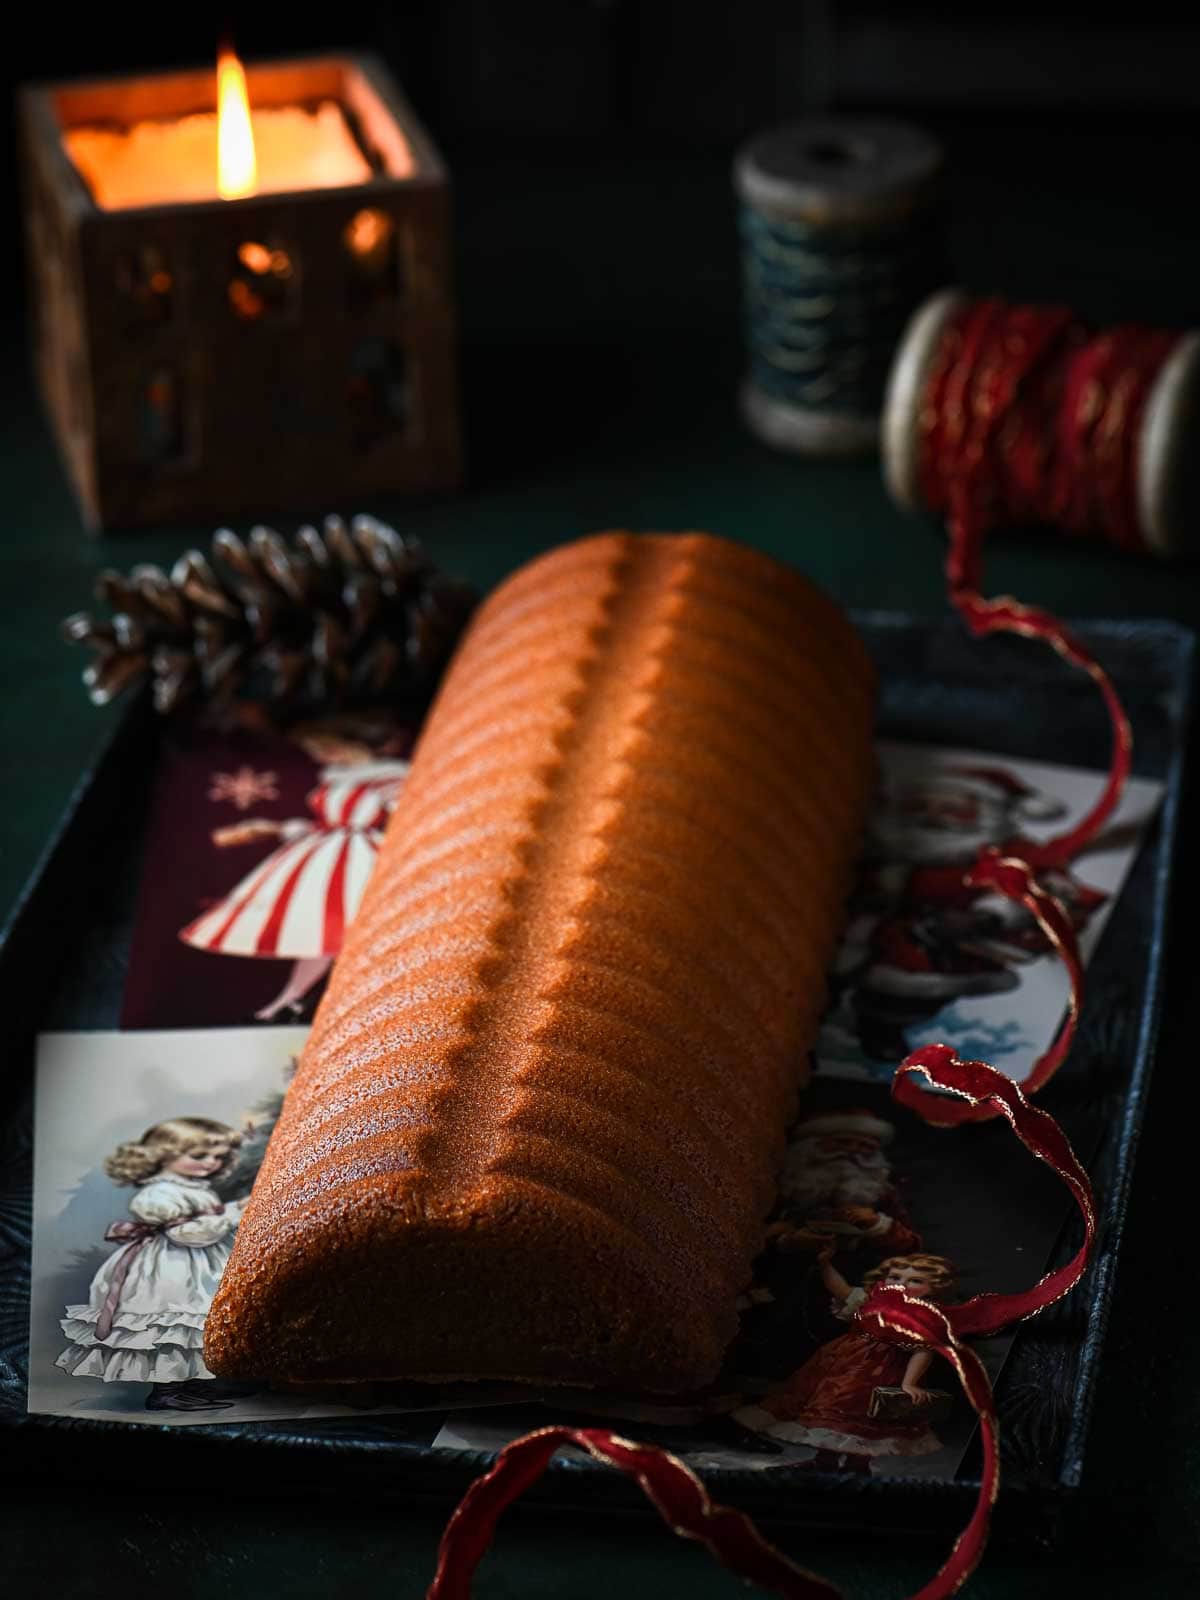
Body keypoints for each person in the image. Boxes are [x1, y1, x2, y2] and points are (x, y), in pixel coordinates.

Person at [180, 713, 411, 1021]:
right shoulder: (333, 778)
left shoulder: (393, 777)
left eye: (327, 748)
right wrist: (268, 829)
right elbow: (320, 823)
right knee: (319, 936)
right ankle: (295, 998)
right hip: (323, 855)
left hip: (365, 859)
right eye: (317, 751)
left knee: (359, 930)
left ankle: (358, 998)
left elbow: (405, 818)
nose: (324, 757)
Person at [57, 1116, 250, 1412]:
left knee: (197, 1325)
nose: (210, 1163)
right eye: (199, 1156)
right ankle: (166, 1390)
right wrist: (230, 1217)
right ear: (162, 1155)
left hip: (201, 1263)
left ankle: (193, 1382)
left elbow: (204, 1218)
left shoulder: (194, 1186)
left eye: (218, 1157)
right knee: (172, 1324)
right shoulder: (159, 1193)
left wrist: (232, 1209)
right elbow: (187, 1233)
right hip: (171, 1268)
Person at [728, 1250, 957, 1470]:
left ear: (933, 1289)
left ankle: (857, 1465)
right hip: (841, 1364)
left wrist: (910, 1383)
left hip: (881, 1373)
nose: (901, 1283)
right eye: (895, 1277)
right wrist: (826, 1264)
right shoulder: (871, 1300)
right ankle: (824, 1460)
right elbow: (841, 1290)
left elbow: (923, 1350)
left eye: (915, 1281)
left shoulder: (921, 1316)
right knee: (830, 1410)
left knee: (860, 1419)